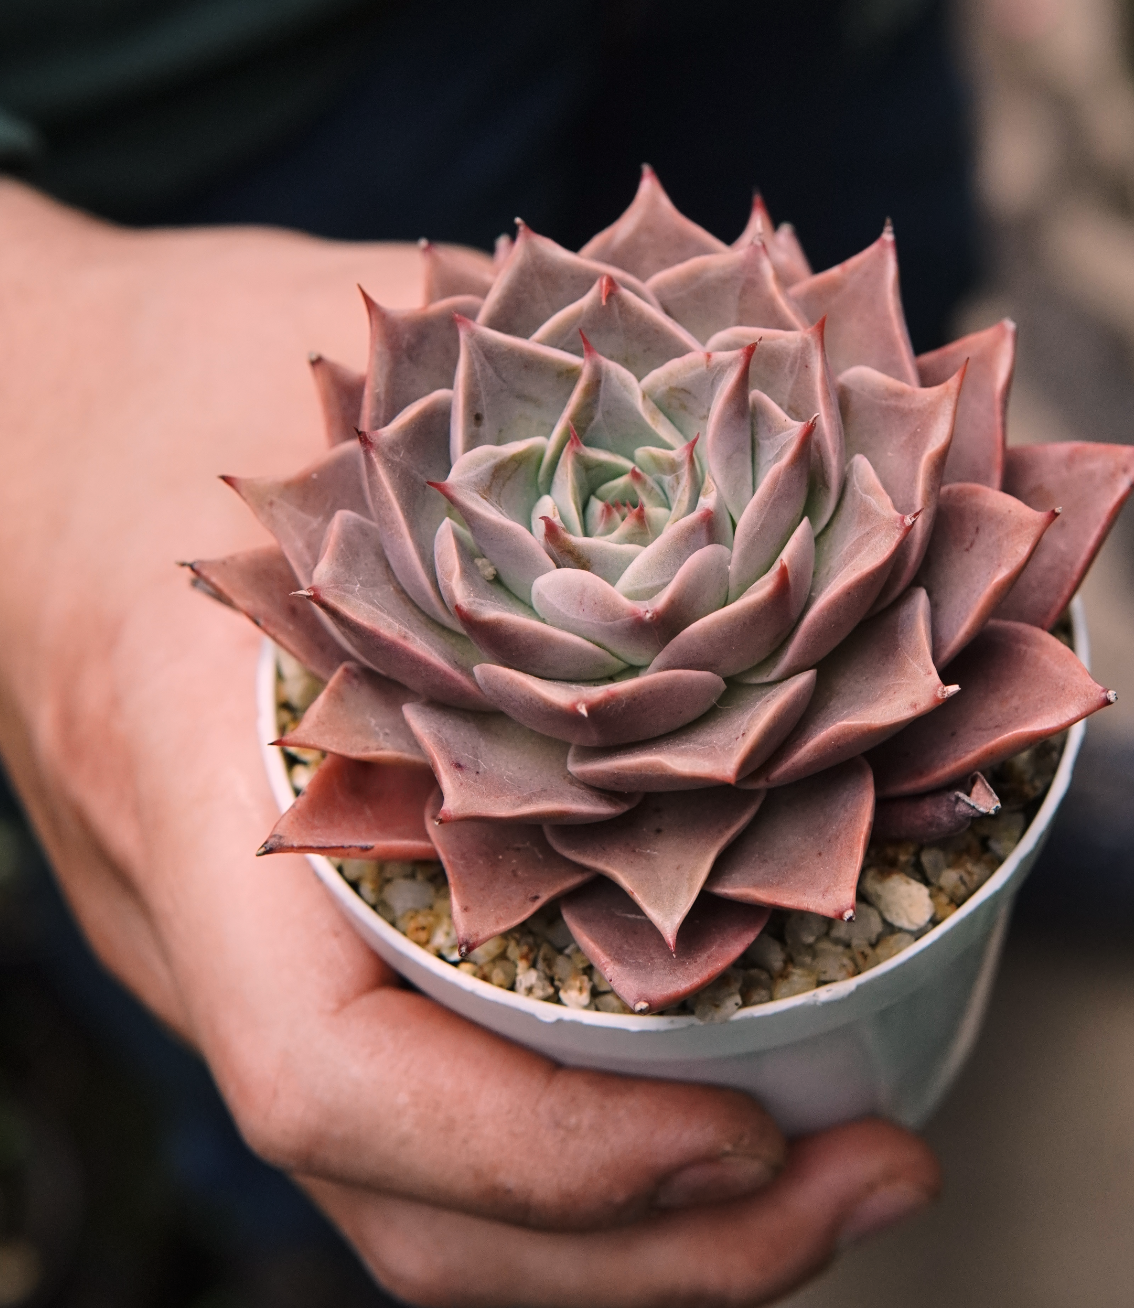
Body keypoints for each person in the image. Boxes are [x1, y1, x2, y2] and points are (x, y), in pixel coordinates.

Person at [0, 2, 973, 1301]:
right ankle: (291, 1227)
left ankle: (980, 794)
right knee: (244, 937)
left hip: (785, 35)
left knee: (924, 342)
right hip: (205, 111)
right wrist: (43, 350)